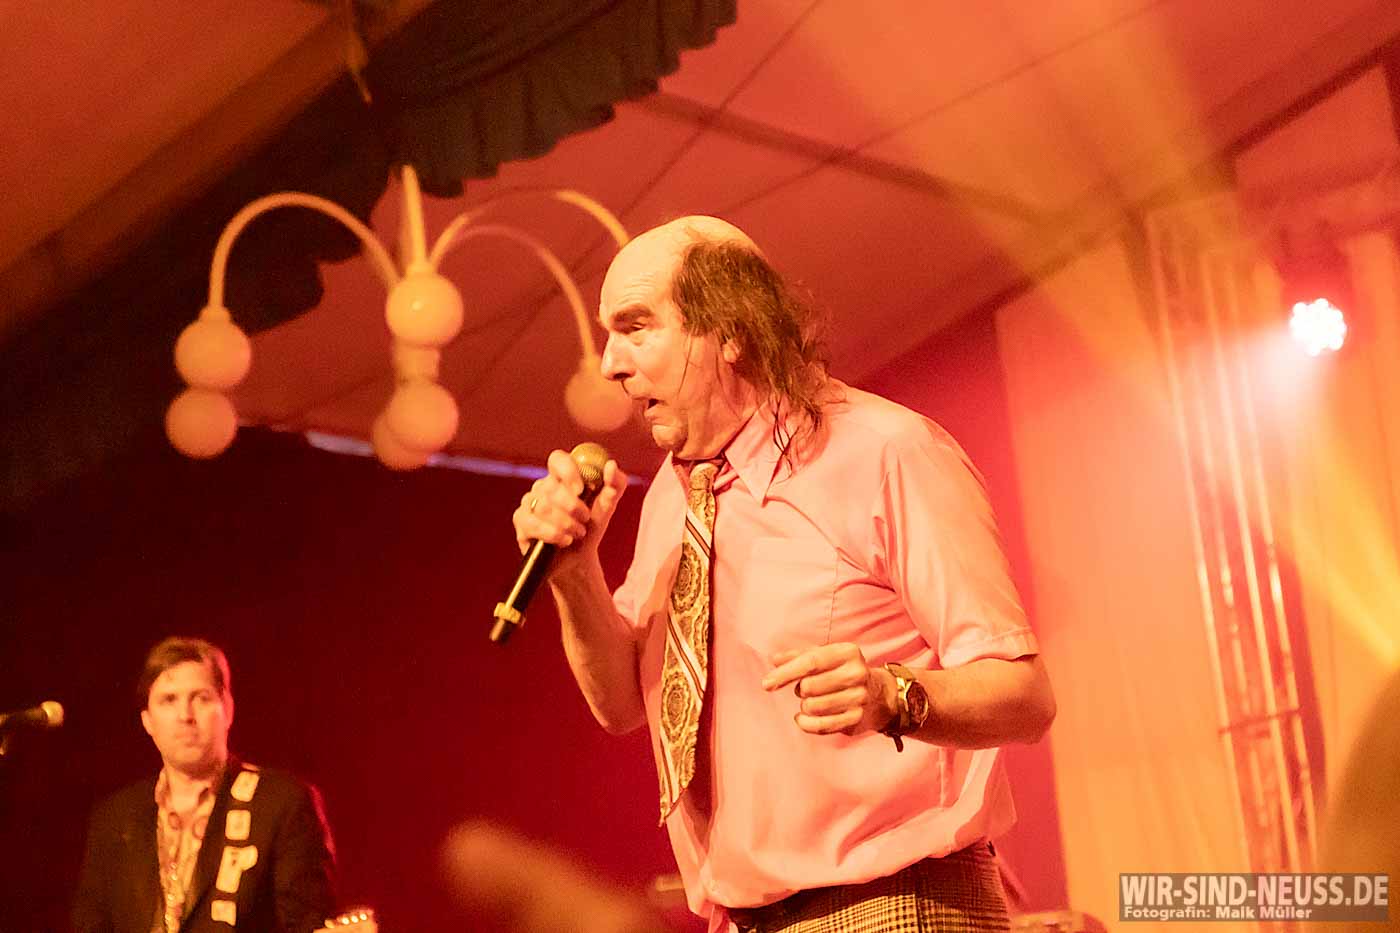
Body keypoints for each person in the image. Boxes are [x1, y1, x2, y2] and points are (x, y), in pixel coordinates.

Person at [514, 216, 1056, 932]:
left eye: (636, 327)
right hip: (743, 919)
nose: (610, 363)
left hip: (893, 904)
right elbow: (620, 705)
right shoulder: (675, 496)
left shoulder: (885, 450)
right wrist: (573, 571)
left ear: (730, 329)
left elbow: (1025, 697)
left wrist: (892, 694)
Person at [72, 637, 337, 933]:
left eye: (201, 698)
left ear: (228, 709)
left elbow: (307, 924)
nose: (185, 716)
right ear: (147, 721)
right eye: (169, 700)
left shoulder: (281, 804)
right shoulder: (114, 819)